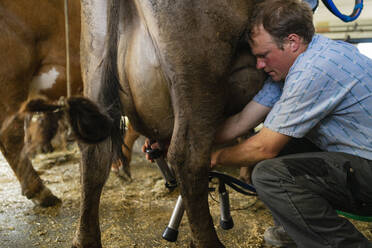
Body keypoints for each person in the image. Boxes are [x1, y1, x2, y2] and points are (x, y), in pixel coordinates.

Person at [211, 0, 372, 247]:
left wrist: (212, 158)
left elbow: (263, 148)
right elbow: (241, 122)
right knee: (284, 146)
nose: (259, 65)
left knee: (269, 175)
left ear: (292, 42)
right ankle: (294, 230)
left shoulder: (313, 70)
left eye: (264, 56)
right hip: (359, 155)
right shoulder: (298, 62)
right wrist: (182, 140)